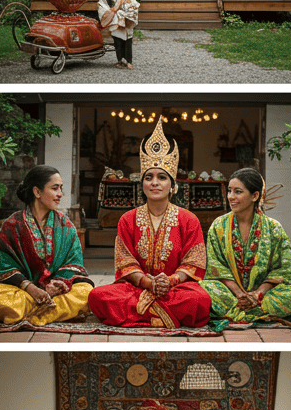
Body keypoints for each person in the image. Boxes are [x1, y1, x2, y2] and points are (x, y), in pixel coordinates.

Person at [88, 119, 211, 328]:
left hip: (175, 289)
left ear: (172, 185)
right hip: (137, 288)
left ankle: (143, 314)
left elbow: (194, 262)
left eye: (162, 177)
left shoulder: (188, 219)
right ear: (142, 183)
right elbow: (125, 262)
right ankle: (163, 316)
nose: (154, 182)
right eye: (149, 177)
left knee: (200, 300)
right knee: (97, 296)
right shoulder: (128, 219)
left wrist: (169, 281)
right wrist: (149, 283)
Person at [0, 165, 93, 326]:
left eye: (61, 189)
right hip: (22, 292)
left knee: (86, 292)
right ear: (37, 192)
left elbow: (74, 263)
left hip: (57, 293)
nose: (60, 194)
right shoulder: (13, 225)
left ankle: (32, 314)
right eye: (55, 188)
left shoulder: (65, 225)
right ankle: (47, 311)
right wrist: (30, 288)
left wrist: (57, 284)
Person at [200, 168, 291, 327]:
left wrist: (258, 294)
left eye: (238, 192)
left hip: (264, 295)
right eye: (229, 191)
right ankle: (254, 313)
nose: (231, 197)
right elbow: (215, 266)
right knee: (203, 288)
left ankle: (238, 313)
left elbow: (282, 270)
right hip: (230, 294)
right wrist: (238, 294)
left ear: (255, 196)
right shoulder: (218, 226)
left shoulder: (274, 228)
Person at [97, 0, 139, 69]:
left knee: (128, 42)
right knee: (117, 42)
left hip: (125, 22)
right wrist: (113, 14)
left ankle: (129, 61)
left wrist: (121, 14)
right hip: (114, 22)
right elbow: (102, 9)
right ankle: (119, 61)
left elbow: (133, 7)